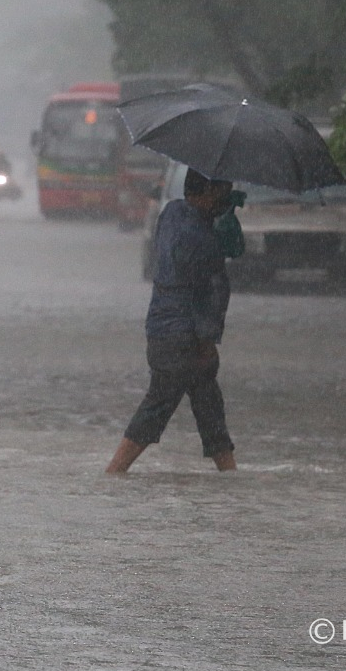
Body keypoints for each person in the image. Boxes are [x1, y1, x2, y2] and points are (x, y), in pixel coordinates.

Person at [106, 168, 238, 473]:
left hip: (161, 330)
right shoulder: (201, 241)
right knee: (159, 406)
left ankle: (230, 475)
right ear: (207, 192)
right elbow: (206, 295)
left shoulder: (171, 213)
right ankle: (114, 471)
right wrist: (206, 342)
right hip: (184, 337)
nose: (226, 198)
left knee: (209, 408)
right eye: (223, 191)